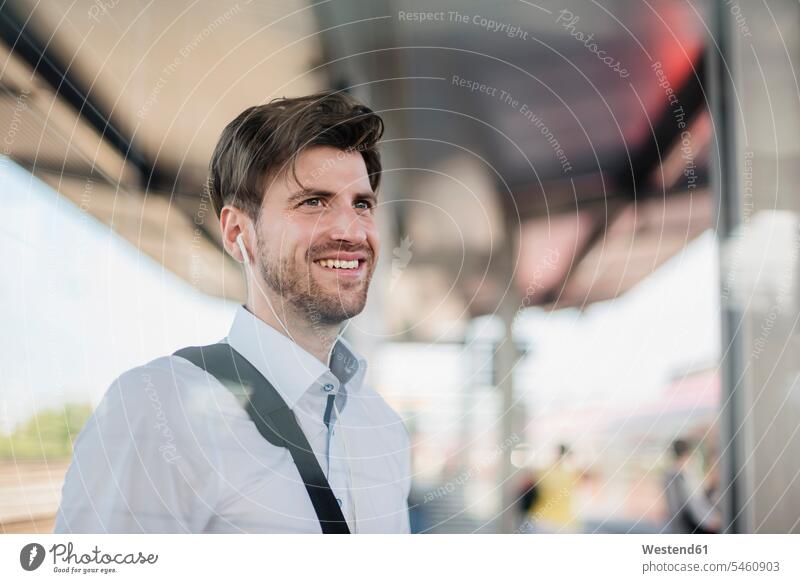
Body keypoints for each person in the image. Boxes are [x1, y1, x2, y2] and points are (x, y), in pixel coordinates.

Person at [55, 92, 411, 533]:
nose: (350, 229)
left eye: (361, 203)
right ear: (237, 232)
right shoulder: (154, 411)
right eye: (313, 202)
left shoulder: (382, 429)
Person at [662, 438, 721, 534]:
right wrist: (710, 520)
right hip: (690, 527)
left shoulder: (674, 474)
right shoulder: (681, 475)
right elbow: (693, 503)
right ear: (686, 454)